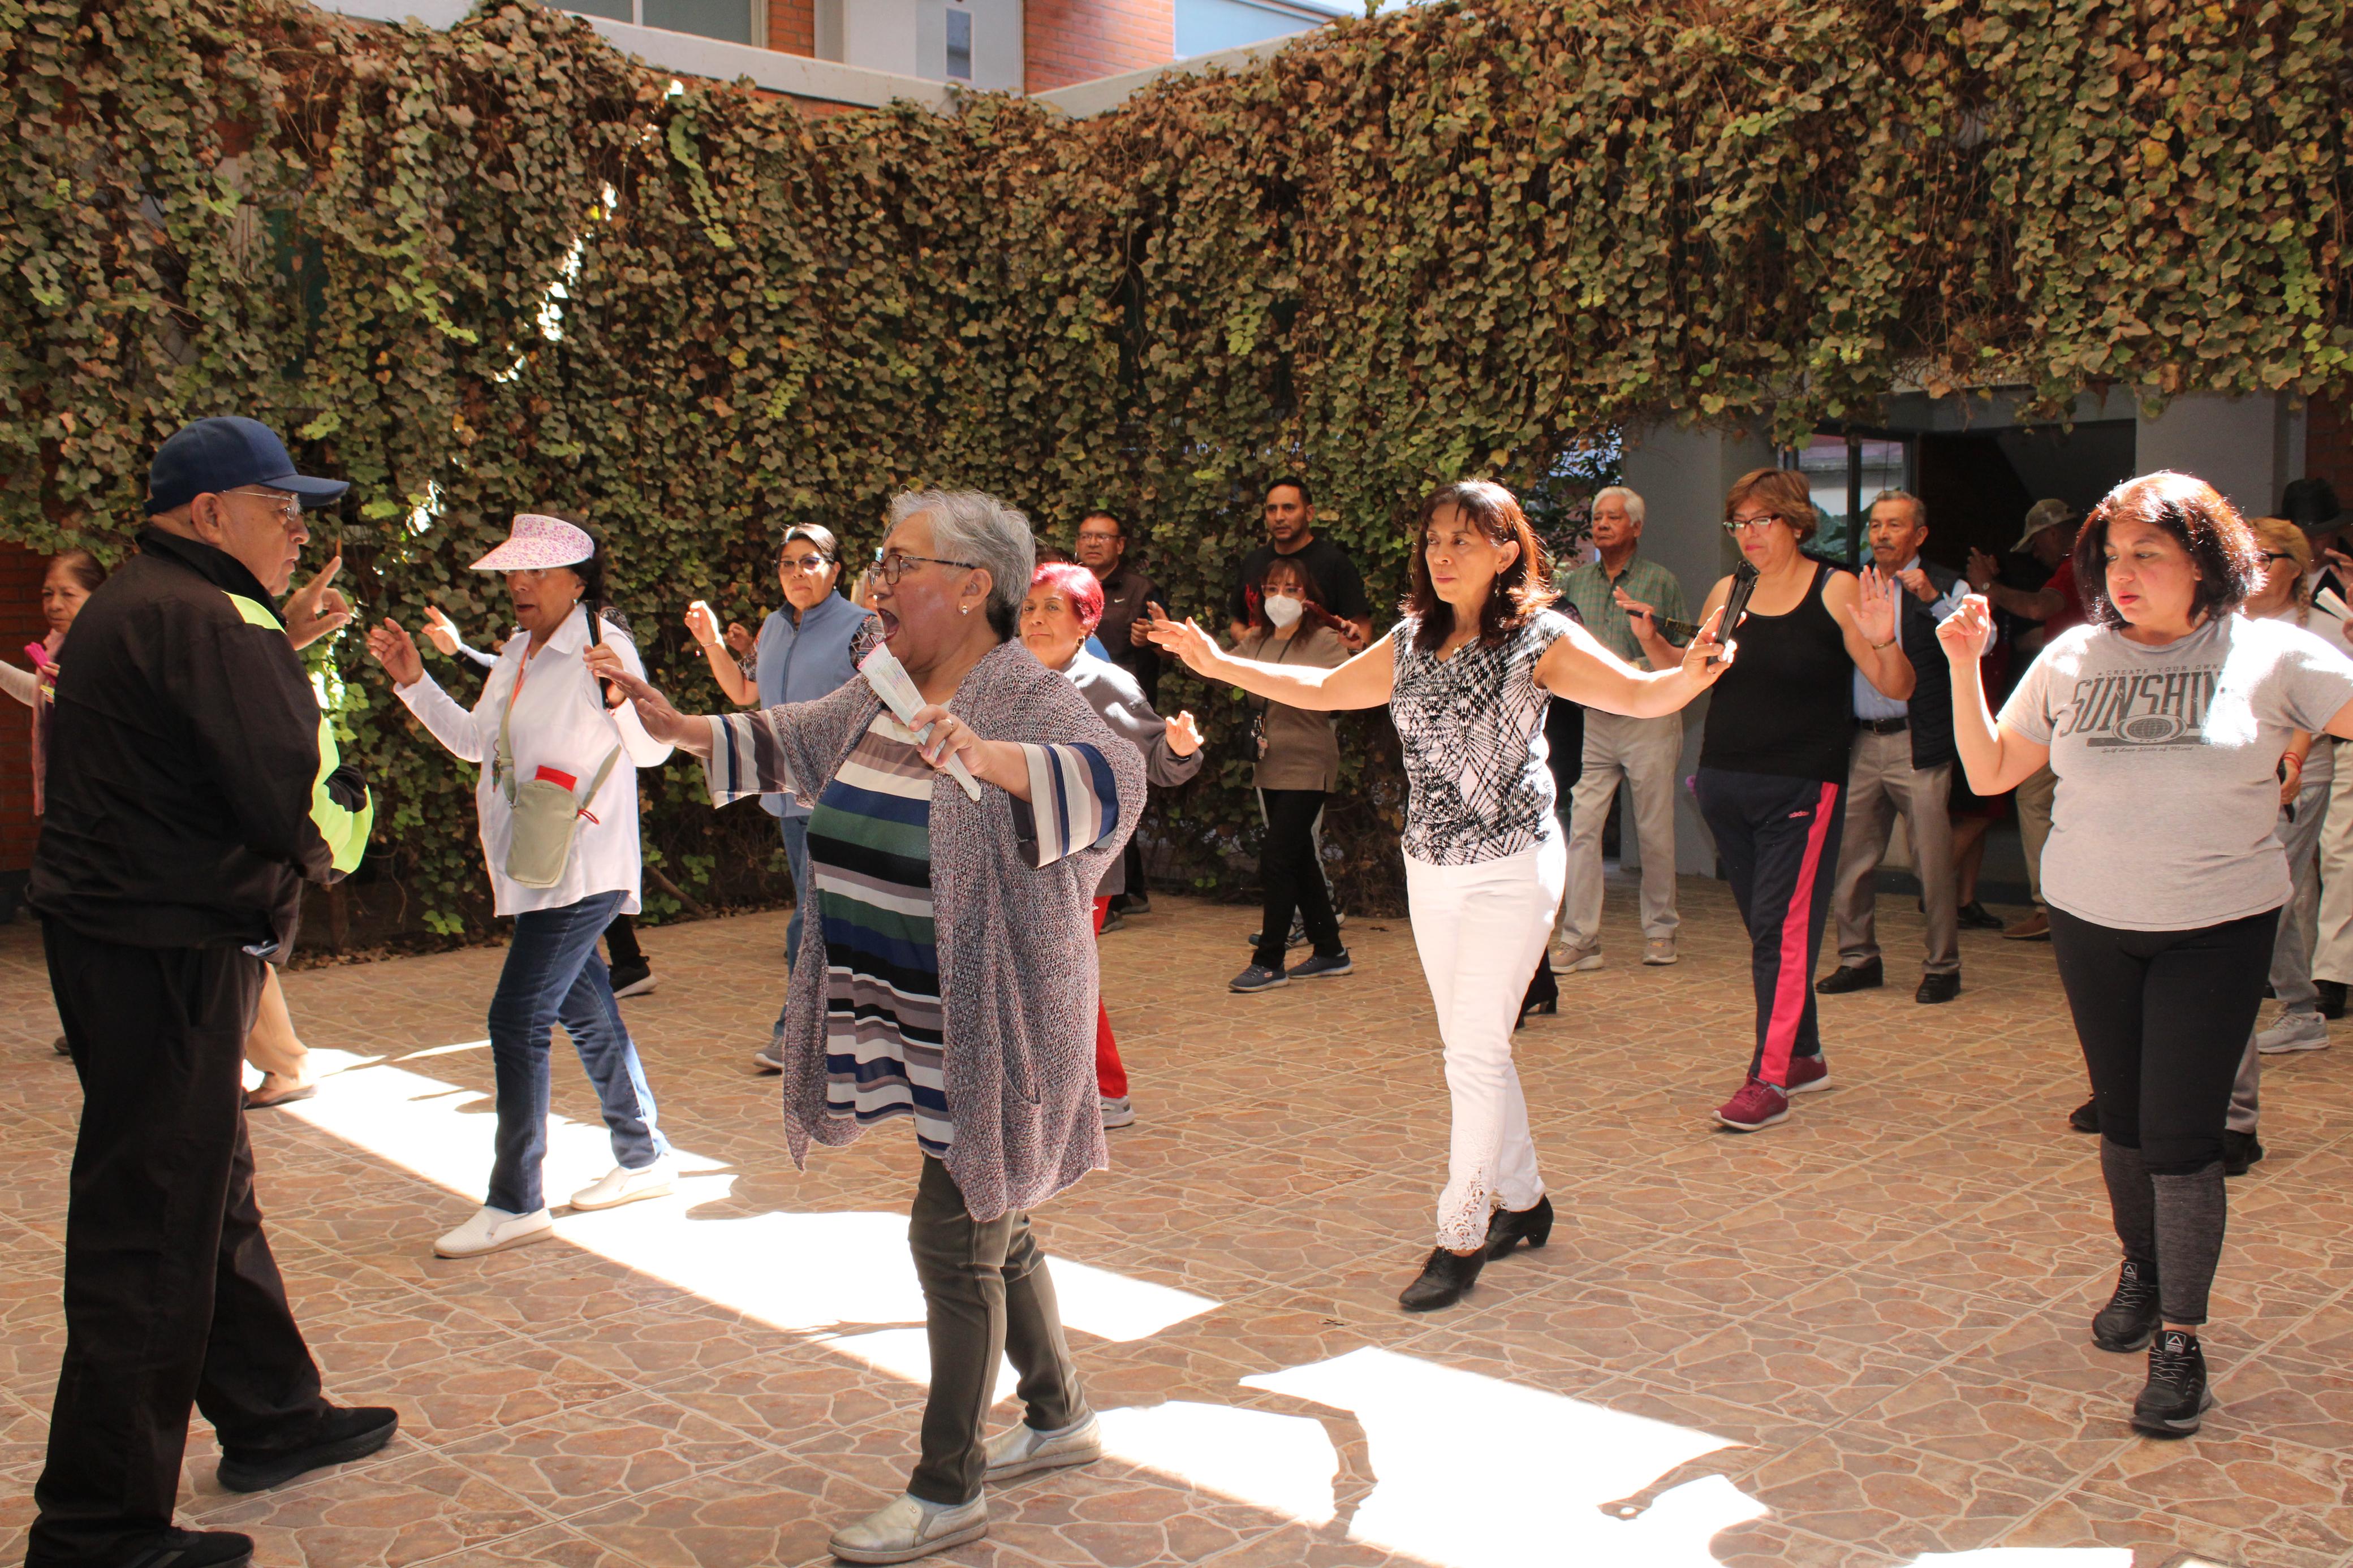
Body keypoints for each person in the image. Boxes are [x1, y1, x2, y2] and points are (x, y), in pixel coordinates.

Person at [592, 489, 1140, 1565]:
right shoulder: (886, 684)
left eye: (900, 564)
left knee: (954, 1229)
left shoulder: (1023, 692)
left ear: (974, 586)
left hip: (999, 1014)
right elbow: (797, 736)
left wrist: (990, 756)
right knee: (995, 1214)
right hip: (914, 1004)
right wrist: (682, 725)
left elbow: (1109, 780)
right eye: (881, 564)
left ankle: (948, 1488)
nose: (878, 585)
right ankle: (1060, 1411)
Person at [1151, 479, 1731, 1314]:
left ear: (1506, 552)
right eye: (1433, 539)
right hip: (1431, 865)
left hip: (1513, 865)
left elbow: (1638, 694)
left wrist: (1690, 675)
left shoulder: (1539, 635)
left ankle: (1460, 1231)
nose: (1442, 554)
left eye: (1463, 539)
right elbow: (1322, 690)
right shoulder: (1411, 640)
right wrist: (1215, 662)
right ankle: (1523, 1200)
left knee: (1472, 1054)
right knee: (1473, 1042)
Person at [25, 416, 393, 1568]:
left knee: (200, 1180)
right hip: (171, 945)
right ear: (208, 514)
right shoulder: (218, 619)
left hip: (125, 937)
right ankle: (96, 1526)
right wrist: (338, 820)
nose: (299, 530)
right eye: (281, 508)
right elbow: (291, 800)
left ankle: (273, 1410)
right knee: (152, 1221)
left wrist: (276, 642)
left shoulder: (142, 600)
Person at [1941, 470, 2353, 1439]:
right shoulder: (2074, 655)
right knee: (2123, 1125)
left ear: (2205, 561)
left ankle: (2181, 1340)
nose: (2121, 575)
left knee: (2181, 1137)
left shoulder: (2275, 652)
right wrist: (1964, 664)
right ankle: (2145, 1268)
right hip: (2093, 920)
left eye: (2147, 555)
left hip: (2217, 924)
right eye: (2111, 557)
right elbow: (1992, 769)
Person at [365, 512, 678, 1260]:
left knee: (516, 1017)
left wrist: (621, 700)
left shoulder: (603, 645)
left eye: (537, 571)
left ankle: (516, 1199)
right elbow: (477, 743)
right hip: (534, 862)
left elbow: (653, 751)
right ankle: (643, 1156)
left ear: (578, 580)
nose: (520, 585)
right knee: (584, 1005)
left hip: (584, 864)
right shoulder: (516, 650)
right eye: (514, 572)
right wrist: (414, 681)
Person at [1688, 468, 1912, 1133]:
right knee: (1770, 931)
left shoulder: (1834, 587)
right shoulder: (1729, 590)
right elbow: (1695, 674)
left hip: (1801, 785)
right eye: (1738, 523)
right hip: (1725, 782)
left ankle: (1768, 1078)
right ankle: (1804, 1054)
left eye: (1760, 521)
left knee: (1780, 936)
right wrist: (1663, 651)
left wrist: (1882, 636)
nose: (1748, 535)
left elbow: (1896, 685)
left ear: (1793, 522)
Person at [684, 524, 877, 1065]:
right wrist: (712, 643)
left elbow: (893, 700)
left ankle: (796, 1031)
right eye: (788, 563)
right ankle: (849, 1028)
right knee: (824, 916)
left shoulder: (863, 629)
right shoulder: (772, 627)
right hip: (787, 798)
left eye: (810, 561)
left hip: (843, 797)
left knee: (811, 917)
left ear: (835, 570)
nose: (797, 572)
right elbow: (745, 691)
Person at [1019, 563, 1203, 1128]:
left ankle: (1106, 1093)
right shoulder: (1001, 679)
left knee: (1062, 977)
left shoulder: (1108, 686)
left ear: (1085, 623)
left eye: (1053, 608)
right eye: (1029, 608)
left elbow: (1160, 764)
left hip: (1082, 867)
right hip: (1013, 858)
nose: (1036, 619)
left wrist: (1179, 748)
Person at [1815, 489, 1968, 1004]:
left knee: (1932, 862)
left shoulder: (1947, 584)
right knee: (1851, 858)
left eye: (1894, 525)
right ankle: (1858, 958)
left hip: (1917, 742)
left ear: (1919, 534)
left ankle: (1943, 965)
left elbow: (1982, 643)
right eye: (1876, 525)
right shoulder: (1852, 585)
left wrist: (1934, 599)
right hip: (1861, 740)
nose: (1881, 534)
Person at [1552, 484, 1690, 971]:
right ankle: (1581, 938)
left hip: (1648, 715)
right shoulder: (1573, 583)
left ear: (1636, 526)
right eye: (1597, 517)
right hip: (1591, 718)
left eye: (1613, 517)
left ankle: (1661, 931)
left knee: (1653, 830)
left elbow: (1681, 655)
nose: (1602, 524)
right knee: (1583, 829)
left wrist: (1640, 658)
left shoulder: (1660, 581)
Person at [2228, 519, 2333, 1158]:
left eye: (2264, 556)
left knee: (2263, 901)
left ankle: (2292, 1011)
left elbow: (2310, 712)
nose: (2253, 566)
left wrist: (2290, 761)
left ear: (2294, 566)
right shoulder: (2231, 622)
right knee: (2276, 897)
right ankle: (2301, 1007)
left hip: (2295, 777)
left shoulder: (2313, 628)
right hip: (2243, 776)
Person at [1227, 555, 1354, 992]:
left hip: (1309, 761)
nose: (1279, 598)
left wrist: (1355, 647)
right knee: (1298, 857)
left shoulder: (1324, 640)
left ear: (1309, 597)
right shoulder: (1257, 638)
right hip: (1270, 761)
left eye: (1291, 589)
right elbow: (1221, 668)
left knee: (1279, 856)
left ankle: (1269, 960)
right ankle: (1330, 950)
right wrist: (1181, 645)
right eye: (1271, 589)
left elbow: (1353, 685)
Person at [1968, 499, 2085, 941]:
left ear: (2053, 533)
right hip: (2089, 704)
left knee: (2033, 797)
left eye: (2036, 543)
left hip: (2072, 705)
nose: (2036, 554)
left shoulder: (2073, 567)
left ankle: (2048, 906)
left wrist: (1989, 587)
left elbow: (2040, 608)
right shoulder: (2093, 568)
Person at [1074, 509, 1166, 916]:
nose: (1093, 543)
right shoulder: (1066, 584)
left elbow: (1166, 648)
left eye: (1103, 537)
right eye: (1086, 536)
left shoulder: (1140, 589)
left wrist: (1153, 640)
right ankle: (1128, 893)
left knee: (1113, 796)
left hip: (1119, 711)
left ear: (1121, 545)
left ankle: (1108, 902)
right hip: (1070, 708)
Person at [1226, 477, 1373, 651]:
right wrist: (1245, 637)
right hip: (1259, 663)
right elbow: (1238, 623)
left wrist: (1350, 654)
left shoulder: (1334, 563)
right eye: (1272, 509)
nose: (1279, 517)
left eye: (1289, 508)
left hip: (1315, 665)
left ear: (1309, 513)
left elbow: (1362, 628)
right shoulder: (1253, 561)